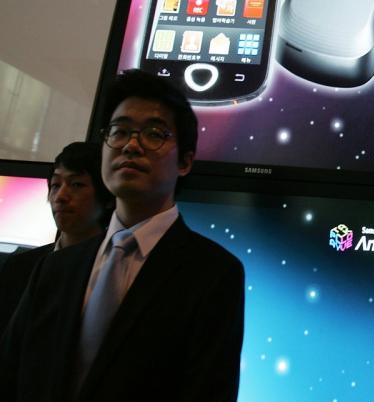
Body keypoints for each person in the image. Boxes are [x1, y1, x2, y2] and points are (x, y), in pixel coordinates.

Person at [0, 69, 245, 402]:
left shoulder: (214, 275)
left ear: (185, 161)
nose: (131, 145)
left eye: (154, 133)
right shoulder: (55, 269)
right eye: (119, 131)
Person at [0, 141, 113, 336]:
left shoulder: (113, 268)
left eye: (77, 184)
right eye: (55, 185)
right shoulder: (20, 265)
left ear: (108, 195)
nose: (60, 196)